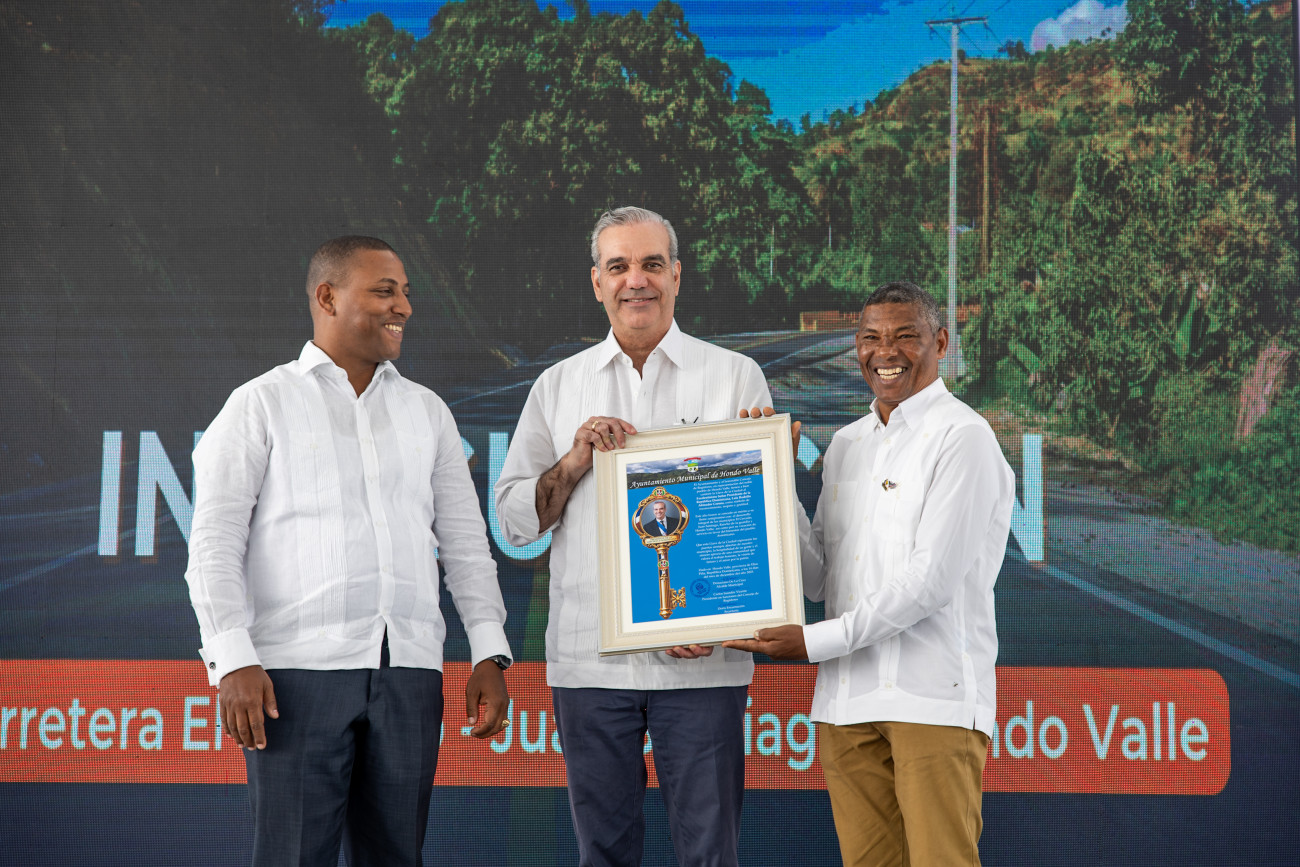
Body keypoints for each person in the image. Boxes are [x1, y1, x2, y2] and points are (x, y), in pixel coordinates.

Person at [184, 235, 512, 867]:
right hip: (293, 679)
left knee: (397, 856)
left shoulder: (428, 412)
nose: (403, 307)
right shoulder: (261, 403)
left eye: (406, 293)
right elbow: (214, 544)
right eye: (384, 291)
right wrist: (232, 660)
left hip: (411, 675)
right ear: (327, 297)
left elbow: (468, 546)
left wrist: (488, 652)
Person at [494, 206, 770, 867]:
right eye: (618, 266)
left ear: (676, 275)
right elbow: (516, 523)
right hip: (591, 664)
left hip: (704, 664)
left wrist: (716, 619)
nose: (635, 280)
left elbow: (749, 529)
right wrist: (573, 463)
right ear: (597, 282)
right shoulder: (558, 386)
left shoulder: (735, 376)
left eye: (651, 264)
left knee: (711, 855)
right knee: (604, 855)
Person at [726, 281, 1015, 867]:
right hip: (846, 703)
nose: (886, 352)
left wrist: (813, 642)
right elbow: (818, 580)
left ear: (940, 343)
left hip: (930, 701)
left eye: (905, 336)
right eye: (870, 338)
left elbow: (929, 584)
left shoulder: (963, 438)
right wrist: (773, 478)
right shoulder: (846, 445)